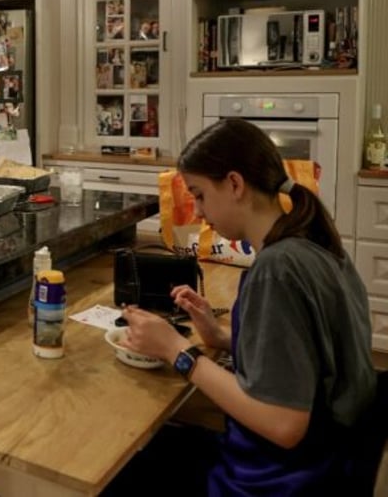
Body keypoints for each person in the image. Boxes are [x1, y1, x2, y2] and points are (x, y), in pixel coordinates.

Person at [118, 118, 377, 495]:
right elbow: (307, 356)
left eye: (201, 195)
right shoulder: (316, 242)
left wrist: (178, 351)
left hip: (280, 479)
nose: (199, 211)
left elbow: (284, 425)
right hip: (333, 460)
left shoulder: (276, 270)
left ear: (235, 184)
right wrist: (220, 336)